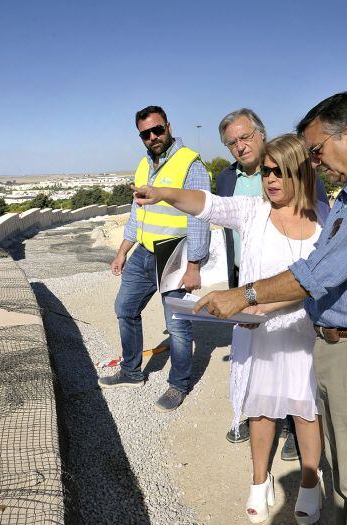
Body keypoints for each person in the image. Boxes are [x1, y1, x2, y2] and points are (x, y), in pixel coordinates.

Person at [193, 92, 347, 524]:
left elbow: (315, 274)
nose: (317, 162)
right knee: (345, 473)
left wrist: (242, 296)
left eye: (318, 150)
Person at [135, 134, 330, 524]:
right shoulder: (252, 211)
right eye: (266, 172)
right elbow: (207, 205)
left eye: (280, 171)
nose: (270, 179)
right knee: (260, 408)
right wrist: (164, 192)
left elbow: (318, 280)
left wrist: (253, 300)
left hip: (302, 330)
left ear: (300, 172)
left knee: (307, 408)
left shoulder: (325, 217)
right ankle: (260, 479)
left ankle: (312, 479)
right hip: (257, 330)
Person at [216, 109, 330, 460]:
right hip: (247, 276)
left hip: (292, 291)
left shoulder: (297, 170)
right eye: (232, 142)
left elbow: (316, 228)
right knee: (261, 363)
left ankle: (295, 432)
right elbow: (216, 214)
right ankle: (261, 423)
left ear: (261, 135)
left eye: (244, 137)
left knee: (300, 374)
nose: (239, 146)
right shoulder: (224, 179)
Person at [98, 105, 210, 412]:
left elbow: (200, 217)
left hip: (174, 251)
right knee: (125, 307)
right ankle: (132, 371)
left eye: (157, 130)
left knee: (176, 325)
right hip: (144, 252)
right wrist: (123, 251)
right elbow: (138, 213)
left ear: (169, 127)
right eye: (145, 133)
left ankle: (178, 385)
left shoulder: (191, 164)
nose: (153, 137)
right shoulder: (143, 166)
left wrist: (194, 265)